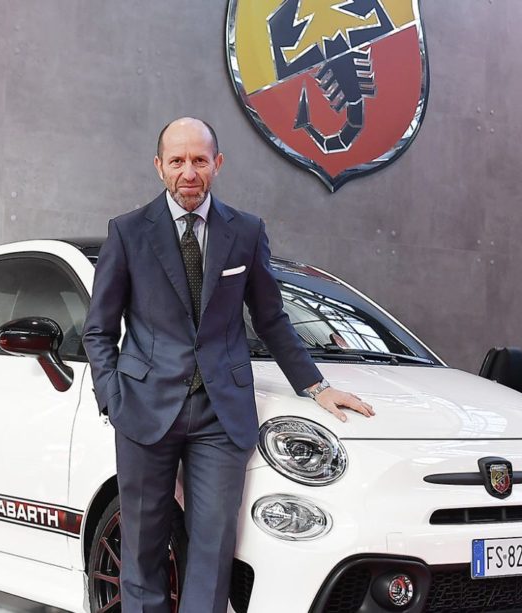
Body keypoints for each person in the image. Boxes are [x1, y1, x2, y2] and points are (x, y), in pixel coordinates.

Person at [82, 117, 373, 613]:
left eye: (199, 160)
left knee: (213, 552)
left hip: (221, 414)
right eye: (177, 161)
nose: (188, 172)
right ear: (159, 167)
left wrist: (316, 386)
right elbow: (99, 330)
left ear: (217, 164)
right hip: (144, 408)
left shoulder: (246, 231)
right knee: (143, 550)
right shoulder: (128, 233)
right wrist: (112, 397)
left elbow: (271, 318)